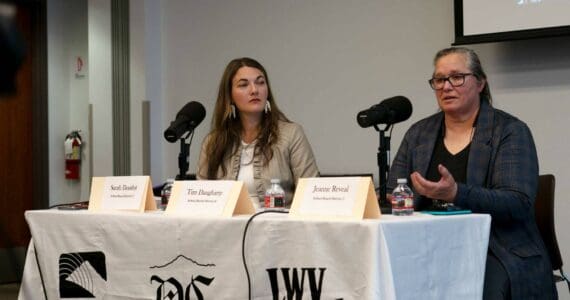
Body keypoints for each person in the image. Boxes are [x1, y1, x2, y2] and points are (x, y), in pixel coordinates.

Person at [387, 47, 556, 299]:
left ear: (480, 83)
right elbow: (394, 192)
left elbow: (517, 203)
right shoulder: (418, 134)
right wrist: (397, 200)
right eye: (439, 79)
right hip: (428, 247)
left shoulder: (510, 131)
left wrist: (456, 193)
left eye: (457, 77)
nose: (446, 86)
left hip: (496, 247)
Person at [197, 57, 319, 210]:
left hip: (277, 226)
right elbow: (200, 197)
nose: (254, 90)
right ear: (230, 96)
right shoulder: (213, 142)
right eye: (243, 85)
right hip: (226, 227)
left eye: (260, 82)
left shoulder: (291, 134)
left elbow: (311, 192)